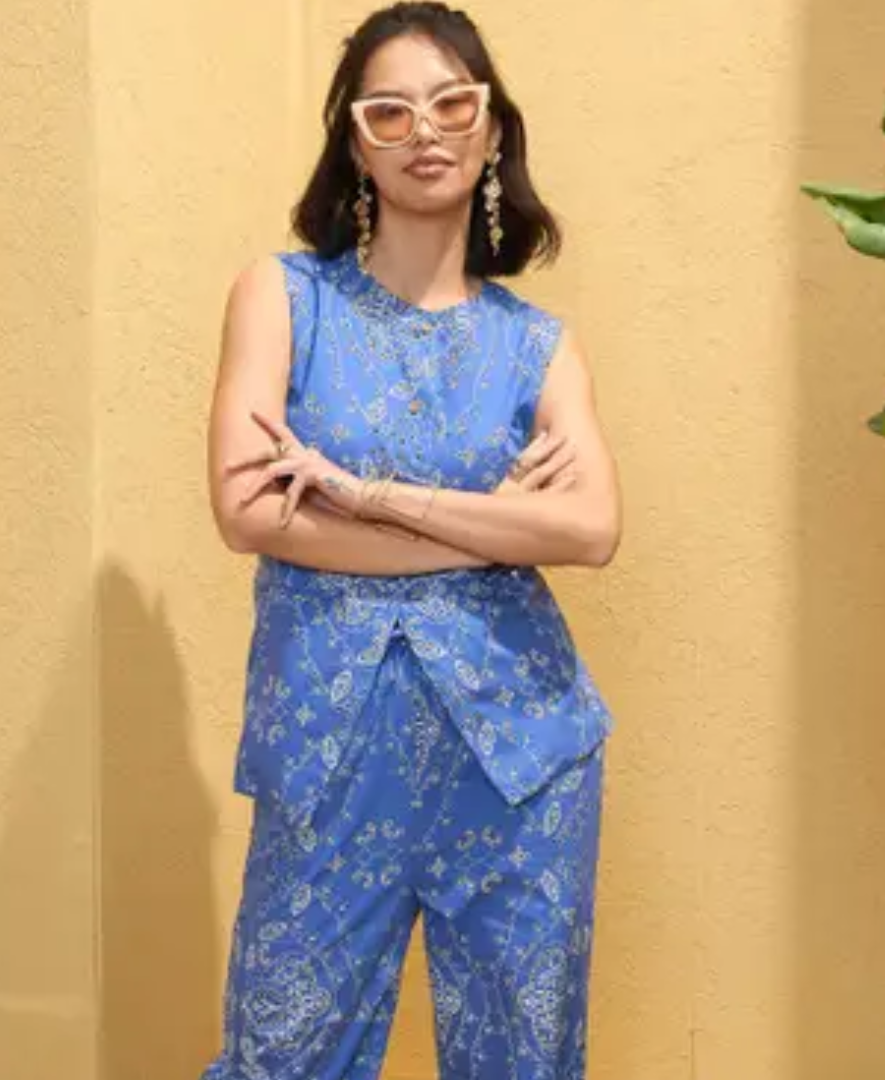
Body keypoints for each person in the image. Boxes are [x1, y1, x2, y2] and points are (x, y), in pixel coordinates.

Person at [202, 3, 621, 1078]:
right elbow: (250, 512)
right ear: (354, 142)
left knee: (523, 1064)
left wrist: (365, 498)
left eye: (452, 105)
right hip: (326, 753)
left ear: (492, 129)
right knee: (281, 1058)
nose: (424, 131)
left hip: (522, 759)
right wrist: (494, 530)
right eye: (388, 112)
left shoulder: (538, 346)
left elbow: (589, 528)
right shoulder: (283, 298)